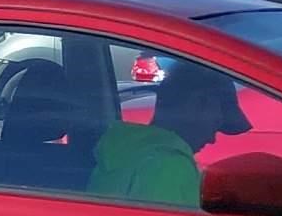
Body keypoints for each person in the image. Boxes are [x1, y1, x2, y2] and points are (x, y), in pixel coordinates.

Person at [86, 57, 249, 208]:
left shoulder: (125, 152)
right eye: (215, 124)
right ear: (198, 103)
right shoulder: (169, 167)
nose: (212, 139)